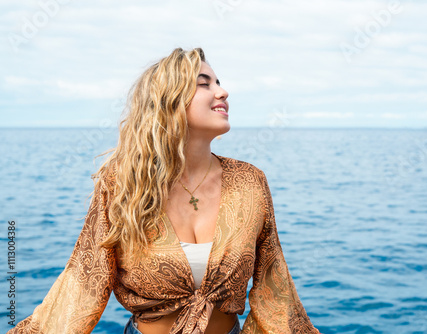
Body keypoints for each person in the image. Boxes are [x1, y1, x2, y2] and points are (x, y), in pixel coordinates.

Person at [8, 47, 321, 334]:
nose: (222, 91)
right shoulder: (122, 183)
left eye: (218, 82)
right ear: (168, 100)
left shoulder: (249, 181)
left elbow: (273, 285)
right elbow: (84, 283)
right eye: (204, 83)